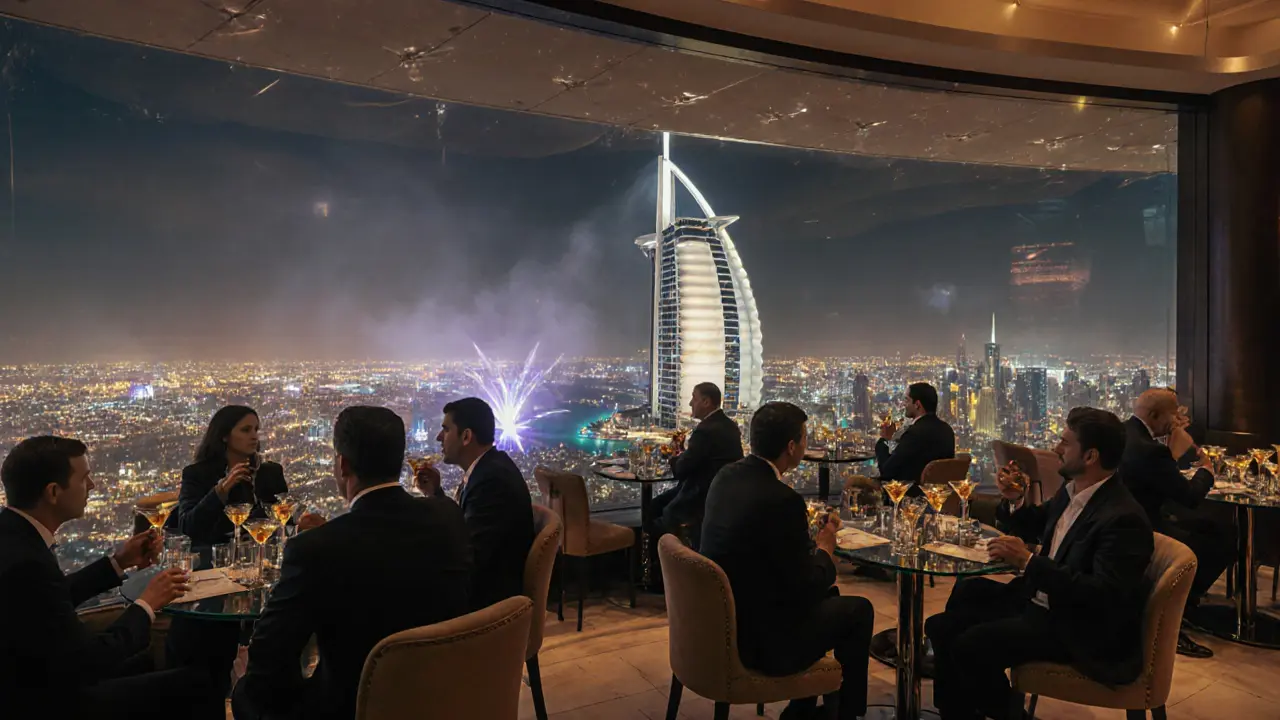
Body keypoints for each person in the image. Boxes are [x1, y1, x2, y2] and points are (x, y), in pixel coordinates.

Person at [233, 406, 472, 720]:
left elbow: (268, 660)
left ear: (342, 464)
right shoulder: (449, 515)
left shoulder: (315, 550)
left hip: (355, 707)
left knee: (246, 692)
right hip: (448, 697)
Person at [926, 408, 1154, 720]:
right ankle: (956, 711)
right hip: (1041, 601)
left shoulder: (1122, 517)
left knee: (971, 647)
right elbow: (1037, 523)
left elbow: (1102, 594)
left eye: (1065, 443)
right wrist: (1015, 500)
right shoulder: (1074, 490)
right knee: (946, 618)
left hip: (1075, 626)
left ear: (1090, 456)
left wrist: (1029, 562)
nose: (1056, 449)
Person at [0, 436, 217, 720]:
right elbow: (88, 663)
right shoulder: (28, 561)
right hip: (45, 700)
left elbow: (51, 595)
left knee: (151, 661)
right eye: (84, 478)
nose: (92, 486)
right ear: (53, 492)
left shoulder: (12, 534)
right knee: (199, 683)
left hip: (32, 678)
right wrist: (147, 605)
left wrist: (118, 563)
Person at [701, 402, 873, 720]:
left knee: (829, 600)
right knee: (858, 610)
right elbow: (805, 585)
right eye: (805, 438)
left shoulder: (726, 476)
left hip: (719, 625)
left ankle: (803, 706)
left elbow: (763, 548)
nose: (806, 444)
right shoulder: (782, 499)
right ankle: (848, 713)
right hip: (762, 643)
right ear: (792, 446)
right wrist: (825, 548)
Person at [1123, 388, 1230, 659]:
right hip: (1144, 530)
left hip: (1134, 520)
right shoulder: (1151, 450)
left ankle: (1183, 606)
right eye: (1174, 414)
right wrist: (1207, 469)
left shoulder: (1124, 432)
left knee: (1210, 530)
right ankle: (1175, 612)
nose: (1177, 421)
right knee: (1223, 541)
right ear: (1156, 414)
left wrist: (1170, 450)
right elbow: (1190, 497)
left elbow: (1159, 480)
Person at [415, 396, 534, 610]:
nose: (439, 437)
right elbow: (467, 529)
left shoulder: (492, 481)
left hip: (487, 606)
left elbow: (471, 556)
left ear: (466, 436)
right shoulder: (488, 469)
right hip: (484, 589)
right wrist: (436, 495)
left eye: (446, 430)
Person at [169, 405, 289, 545]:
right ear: (224, 436)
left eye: (256, 430)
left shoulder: (271, 473)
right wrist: (221, 490)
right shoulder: (197, 474)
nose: (254, 436)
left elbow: (284, 522)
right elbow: (188, 527)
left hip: (262, 556)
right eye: (246, 430)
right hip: (216, 559)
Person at [650, 382, 743, 548]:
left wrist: (672, 456)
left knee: (658, 511)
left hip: (701, 495)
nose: (691, 403)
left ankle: (668, 561)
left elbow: (680, 470)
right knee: (657, 504)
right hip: (722, 493)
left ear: (706, 402)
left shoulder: (705, 431)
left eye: (694, 398)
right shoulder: (730, 426)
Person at [875, 382, 955, 491]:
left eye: (907, 400)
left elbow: (887, 471)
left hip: (912, 497)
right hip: (940, 495)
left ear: (917, 404)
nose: (903, 404)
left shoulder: (914, 433)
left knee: (854, 484)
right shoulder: (947, 430)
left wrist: (884, 440)